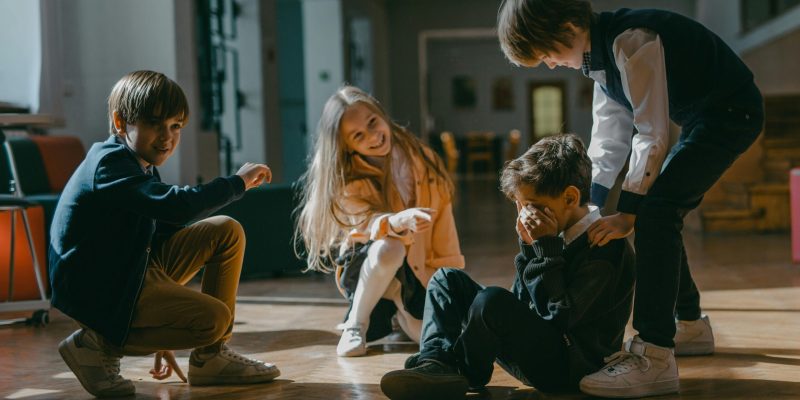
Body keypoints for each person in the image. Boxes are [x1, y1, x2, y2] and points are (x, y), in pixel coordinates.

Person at [497, 1, 764, 397]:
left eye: (547, 53)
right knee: (660, 208)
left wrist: (627, 212)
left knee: (656, 212)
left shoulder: (632, 41)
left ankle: (655, 353)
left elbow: (651, 132)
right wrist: (588, 207)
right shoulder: (599, 62)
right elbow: (608, 141)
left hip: (732, 112)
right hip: (702, 118)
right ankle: (690, 324)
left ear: (567, 26)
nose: (550, 65)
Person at [50, 70, 280, 398]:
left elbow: (161, 234)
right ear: (120, 122)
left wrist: (166, 328)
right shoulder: (109, 163)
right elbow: (178, 207)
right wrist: (237, 182)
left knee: (225, 231)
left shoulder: (138, 163)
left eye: (176, 126)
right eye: (154, 123)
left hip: (128, 270)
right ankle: (96, 344)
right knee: (214, 320)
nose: (167, 136)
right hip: (102, 291)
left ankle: (210, 358)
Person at [380, 134, 635, 400]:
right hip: (539, 349)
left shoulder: (606, 248)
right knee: (446, 279)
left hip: (570, 369)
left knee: (492, 301)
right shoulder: (555, 230)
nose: (525, 215)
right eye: (520, 206)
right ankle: (435, 363)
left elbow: (559, 318)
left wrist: (545, 249)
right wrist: (529, 249)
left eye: (532, 206)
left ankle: (465, 372)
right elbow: (523, 300)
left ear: (570, 198)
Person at [295, 85, 465, 357]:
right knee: (390, 247)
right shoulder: (346, 177)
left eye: (373, 122)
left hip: (417, 274)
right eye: (358, 136)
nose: (373, 136)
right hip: (370, 266)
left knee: (443, 341)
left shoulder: (425, 158)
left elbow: (445, 231)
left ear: (381, 113)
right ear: (346, 146)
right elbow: (365, 223)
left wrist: (448, 287)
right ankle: (355, 325)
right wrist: (397, 222)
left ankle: (401, 309)